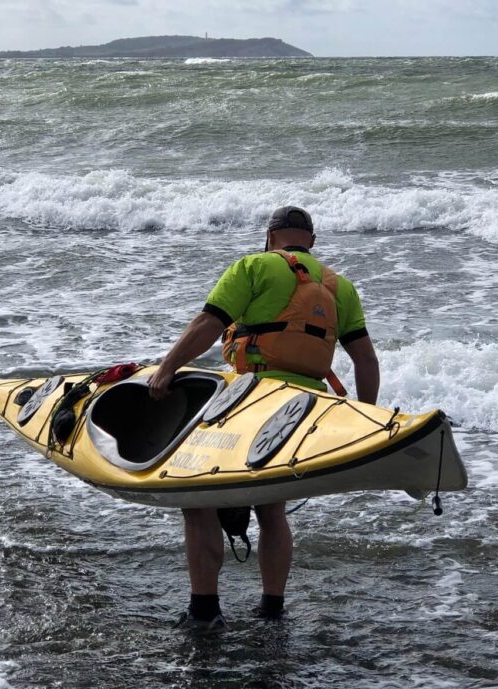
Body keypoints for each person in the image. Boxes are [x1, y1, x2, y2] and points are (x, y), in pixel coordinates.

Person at [148, 205, 380, 631]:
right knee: (272, 510)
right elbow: (364, 358)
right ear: (310, 240)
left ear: (270, 236)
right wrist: (365, 420)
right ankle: (272, 608)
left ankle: (205, 611)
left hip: (252, 397)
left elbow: (207, 325)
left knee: (198, 500)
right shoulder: (338, 286)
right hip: (306, 406)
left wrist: (167, 369)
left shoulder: (252, 266)